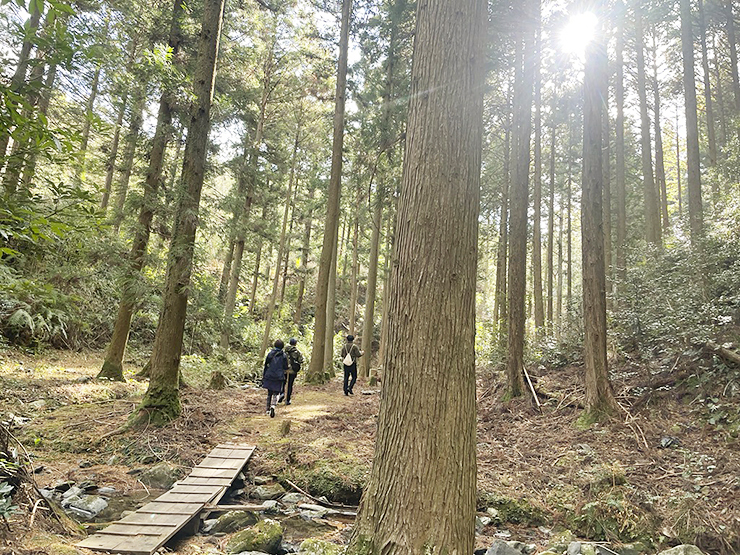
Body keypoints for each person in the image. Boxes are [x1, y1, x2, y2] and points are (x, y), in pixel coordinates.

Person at [262, 339, 288, 417]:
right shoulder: (283, 355)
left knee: (269, 393)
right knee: (276, 392)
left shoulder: (270, 354)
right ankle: (273, 406)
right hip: (279, 376)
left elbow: (266, 364)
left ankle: (267, 409)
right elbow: (285, 366)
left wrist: (264, 375)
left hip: (270, 375)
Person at [280, 337, 304, 405]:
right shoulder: (297, 352)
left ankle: (281, 393)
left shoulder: (284, 351)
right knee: (290, 385)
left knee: (283, 383)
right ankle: (288, 399)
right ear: (295, 343)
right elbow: (301, 360)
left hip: (284, 370)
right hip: (292, 371)